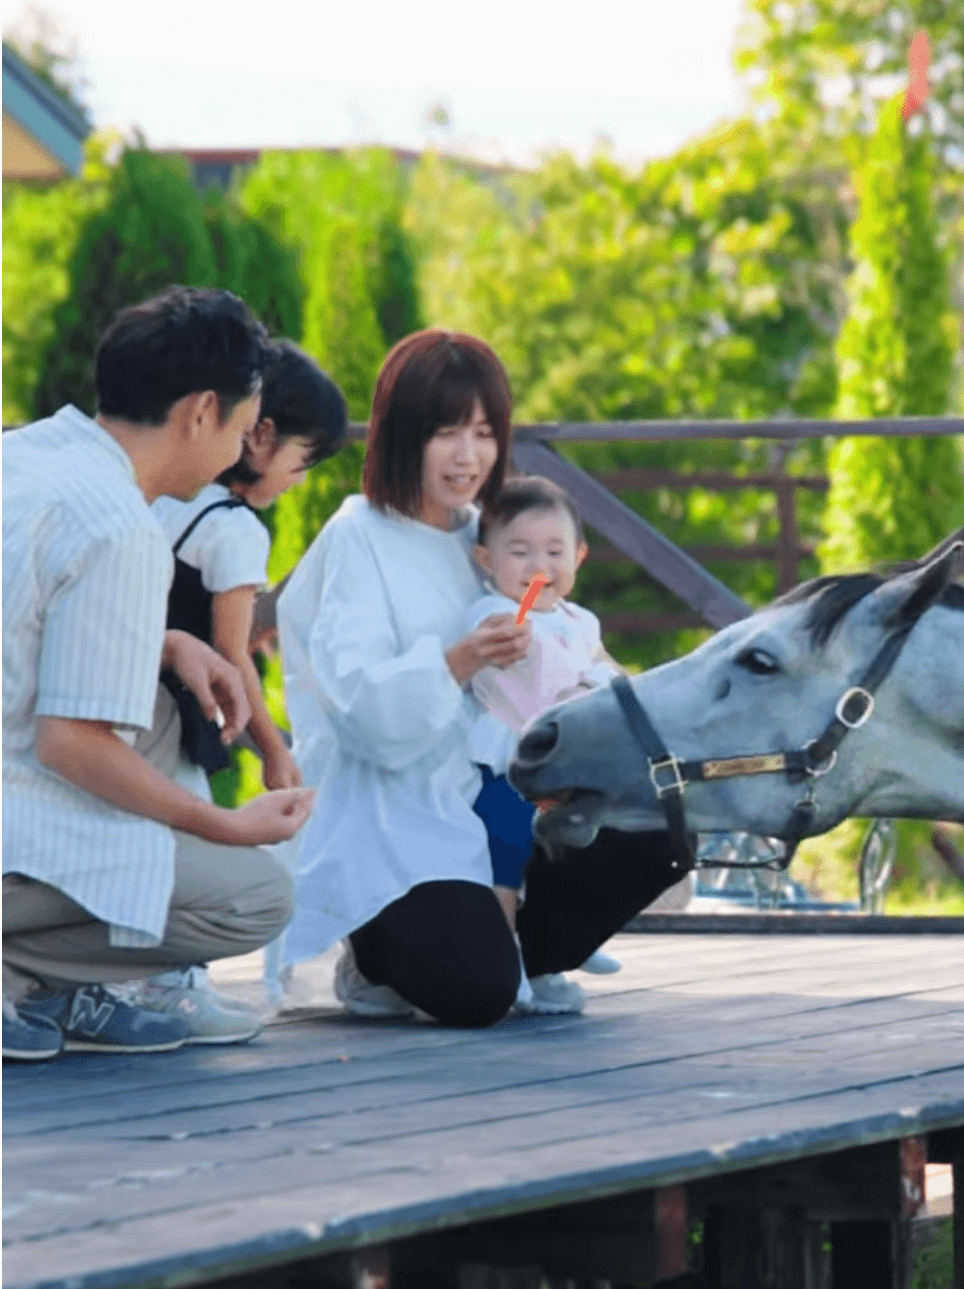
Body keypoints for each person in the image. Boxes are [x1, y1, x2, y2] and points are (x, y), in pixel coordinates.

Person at [276, 329, 686, 1028]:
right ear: (402, 434)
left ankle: (533, 954)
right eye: (444, 432)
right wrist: (458, 660)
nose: (468, 457)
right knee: (473, 992)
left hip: (505, 790)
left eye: (484, 433)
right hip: (398, 812)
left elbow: (571, 646)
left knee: (661, 838)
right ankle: (373, 954)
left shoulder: (492, 535)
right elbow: (358, 709)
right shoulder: (359, 538)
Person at [2, 287, 316, 1061]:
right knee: (255, 897)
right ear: (203, 411)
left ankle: (32, 984)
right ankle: (31, 976)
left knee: (162, 712)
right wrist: (225, 824)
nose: (240, 450)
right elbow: (71, 747)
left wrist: (170, 643)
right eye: (244, 429)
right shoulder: (120, 526)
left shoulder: (26, 454)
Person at [138, 340, 349, 1037]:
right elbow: (232, 660)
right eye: (301, 461)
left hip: (123, 693)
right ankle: (171, 989)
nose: (298, 479)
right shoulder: (234, 532)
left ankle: (143, 985)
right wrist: (272, 749)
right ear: (258, 437)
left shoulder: (170, 498)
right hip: (177, 711)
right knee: (186, 841)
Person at [466, 477, 623, 1014]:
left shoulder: (582, 621)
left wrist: (611, 685)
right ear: (486, 559)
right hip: (509, 764)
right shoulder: (492, 616)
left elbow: (610, 676)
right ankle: (502, 952)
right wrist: (589, 680)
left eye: (555, 551)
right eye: (520, 551)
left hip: (570, 765)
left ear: (578, 556)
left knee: (585, 848)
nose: (540, 564)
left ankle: (557, 951)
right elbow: (541, 682)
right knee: (508, 844)